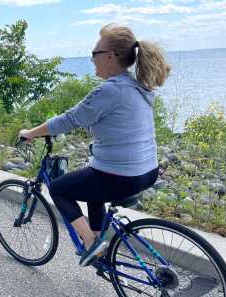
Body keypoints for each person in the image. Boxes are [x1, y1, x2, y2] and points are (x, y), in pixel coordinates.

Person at [18, 24, 171, 267]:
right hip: (147, 172)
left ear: (110, 56)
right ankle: (100, 243)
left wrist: (31, 133)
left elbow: (69, 119)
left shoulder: (110, 90)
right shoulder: (137, 87)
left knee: (58, 189)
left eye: (94, 54)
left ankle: (90, 243)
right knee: (93, 188)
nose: (91, 60)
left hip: (121, 176)